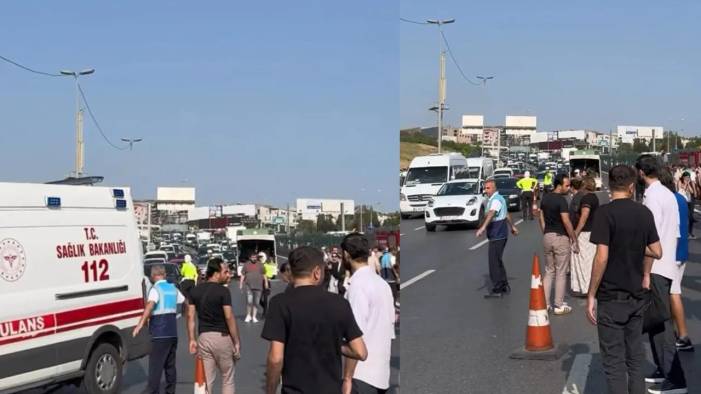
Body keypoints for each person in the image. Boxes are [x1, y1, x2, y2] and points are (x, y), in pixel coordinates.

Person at [586, 165, 662, 394]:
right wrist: (636, 248)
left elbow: (601, 257)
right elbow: (657, 251)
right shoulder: (644, 213)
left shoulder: (604, 213)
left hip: (610, 297)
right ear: (631, 187)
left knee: (613, 363)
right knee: (635, 358)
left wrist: (591, 294)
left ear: (610, 186)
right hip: (636, 295)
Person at [262, 246, 368, 394]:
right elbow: (360, 352)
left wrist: (270, 390)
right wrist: (334, 342)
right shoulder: (339, 303)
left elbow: (276, 358)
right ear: (317, 273)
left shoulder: (279, 303)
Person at [636, 154, 687, 393]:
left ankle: (675, 378)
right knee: (657, 321)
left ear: (641, 172)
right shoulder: (668, 195)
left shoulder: (653, 197)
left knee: (661, 322)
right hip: (667, 264)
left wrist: (644, 271)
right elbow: (674, 233)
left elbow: (650, 239)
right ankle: (663, 368)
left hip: (655, 266)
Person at [340, 233, 395, 394]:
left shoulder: (357, 286)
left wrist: (348, 378)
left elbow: (354, 337)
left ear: (346, 255)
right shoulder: (381, 283)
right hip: (381, 376)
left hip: (360, 376)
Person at [187, 258, 241, 394]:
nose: (228, 274)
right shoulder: (223, 292)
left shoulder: (195, 291)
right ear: (216, 273)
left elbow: (190, 316)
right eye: (225, 272)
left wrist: (192, 339)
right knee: (227, 377)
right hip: (222, 337)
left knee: (206, 380)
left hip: (204, 338)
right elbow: (229, 317)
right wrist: (236, 341)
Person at [133, 265, 185, 394]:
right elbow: (185, 301)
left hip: (159, 334)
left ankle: (151, 391)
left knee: (155, 367)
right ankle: (170, 391)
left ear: (152, 276)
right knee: (170, 366)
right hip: (172, 333)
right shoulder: (173, 288)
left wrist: (140, 324)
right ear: (164, 275)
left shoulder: (155, 289)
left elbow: (150, 306)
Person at [659, 169, 694, 352]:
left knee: (673, 293)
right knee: (673, 292)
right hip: (681, 251)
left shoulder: (667, 200)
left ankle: (683, 335)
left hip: (672, 253)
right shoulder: (680, 199)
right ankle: (677, 333)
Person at [538, 173, 578, 314]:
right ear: (559, 185)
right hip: (560, 237)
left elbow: (541, 216)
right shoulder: (561, 201)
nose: (568, 188)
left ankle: (546, 303)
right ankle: (559, 305)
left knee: (549, 271)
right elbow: (566, 221)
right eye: (566, 185)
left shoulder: (546, 198)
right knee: (561, 272)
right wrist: (574, 238)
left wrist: (545, 231)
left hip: (547, 236)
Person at [476, 179, 519, 298]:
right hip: (500, 233)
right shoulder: (499, 199)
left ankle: (498, 288)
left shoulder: (495, 200)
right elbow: (506, 214)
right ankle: (503, 284)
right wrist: (513, 227)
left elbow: (491, 213)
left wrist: (483, 227)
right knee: (498, 260)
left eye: (488, 188)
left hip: (497, 233)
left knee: (493, 262)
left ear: (494, 188)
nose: (486, 190)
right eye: (485, 188)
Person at [570, 176, 599, 296]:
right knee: (591, 260)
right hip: (593, 232)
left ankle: (586, 287)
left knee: (583, 261)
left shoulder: (586, 199)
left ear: (584, 186)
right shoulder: (594, 197)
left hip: (585, 233)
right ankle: (592, 287)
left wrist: (576, 233)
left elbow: (584, 217)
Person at [240, 253, 269, 323]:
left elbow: (264, 274)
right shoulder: (246, 265)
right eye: (252, 257)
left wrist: (266, 283)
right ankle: (248, 315)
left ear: (256, 258)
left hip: (258, 286)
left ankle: (254, 317)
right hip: (249, 286)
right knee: (249, 302)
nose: (254, 258)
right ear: (250, 258)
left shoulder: (261, 265)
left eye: (255, 257)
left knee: (256, 302)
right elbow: (243, 275)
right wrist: (241, 284)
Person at [676, 171, 696, 239]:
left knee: (691, 217)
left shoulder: (689, 183)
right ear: (683, 177)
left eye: (688, 177)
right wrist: (685, 184)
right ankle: (684, 232)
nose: (687, 179)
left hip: (690, 201)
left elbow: (692, 191)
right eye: (686, 177)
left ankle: (690, 232)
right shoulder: (680, 182)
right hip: (683, 201)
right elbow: (680, 191)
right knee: (684, 217)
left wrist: (688, 184)